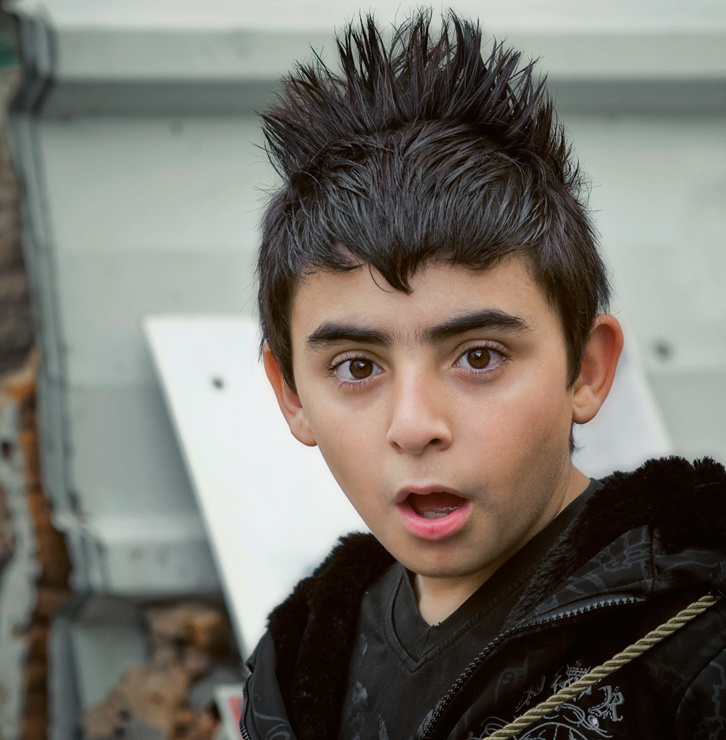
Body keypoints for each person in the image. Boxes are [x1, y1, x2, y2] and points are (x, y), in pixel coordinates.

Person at [240, 9, 726, 740]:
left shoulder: (695, 637)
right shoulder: (299, 665)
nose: (414, 426)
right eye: (357, 367)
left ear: (587, 369)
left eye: (478, 357)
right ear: (291, 395)